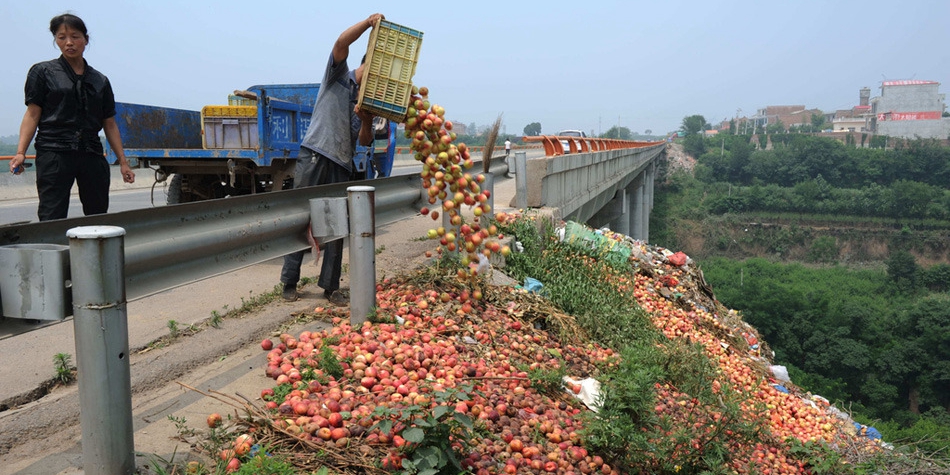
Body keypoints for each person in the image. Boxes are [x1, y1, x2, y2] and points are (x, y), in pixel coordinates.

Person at [280, 13, 384, 305]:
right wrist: (367, 23)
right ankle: (289, 281)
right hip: (314, 154)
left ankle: (330, 286)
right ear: (369, 65)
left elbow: (363, 141)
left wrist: (364, 120)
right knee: (302, 220)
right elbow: (340, 42)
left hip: (341, 164)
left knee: (338, 226)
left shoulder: (367, 102)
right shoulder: (338, 76)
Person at [9, 13, 135, 221]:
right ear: (56, 40)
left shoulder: (99, 80)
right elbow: (32, 114)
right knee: (52, 214)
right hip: (54, 152)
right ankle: (53, 253)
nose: (69, 43)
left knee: (97, 213)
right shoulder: (42, 72)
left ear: (86, 39)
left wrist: (123, 162)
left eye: (75, 36)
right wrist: (21, 152)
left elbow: (109, 123)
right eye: (61, 37)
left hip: (91, 153)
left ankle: (95, 252)